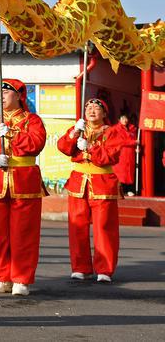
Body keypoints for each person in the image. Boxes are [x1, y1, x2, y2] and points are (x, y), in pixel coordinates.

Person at [0, 79, 47, 297]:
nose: (0, 96)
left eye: (5, 92)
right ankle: (1, 276)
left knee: (24, 233)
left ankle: (21, 278)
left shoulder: (32, 120)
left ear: (19, 96)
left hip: (24, 182)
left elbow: (37, 143)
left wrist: (12, 134)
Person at [57, 98, 128, 282]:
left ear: (105, 113)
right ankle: (80, 267)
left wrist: (90, 147)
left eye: (97, 107)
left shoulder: (112, 132)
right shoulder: (79, 129)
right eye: (88, 107)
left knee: (104, 227)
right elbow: (63, 148)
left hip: (102, 182)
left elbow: (111, 156)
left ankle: (104, 268)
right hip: (78, 182)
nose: (92, 110)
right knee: (77, 226)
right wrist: (74, 133)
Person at [113, 112, 138, 196]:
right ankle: (121, 190)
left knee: (130, 172)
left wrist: (137, 148)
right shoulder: (116, 129)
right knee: (121, 173)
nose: (125, 120)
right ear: (119, 120)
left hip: (130, 154)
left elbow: (136, 140)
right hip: (121, 153)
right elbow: (121, 141)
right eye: (123, 118)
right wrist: (134, 142)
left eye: (126, 118)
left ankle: (129, 189)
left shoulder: (132, 128)